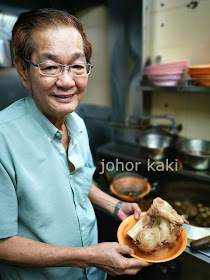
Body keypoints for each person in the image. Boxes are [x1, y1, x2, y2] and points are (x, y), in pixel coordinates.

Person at [0, 8, 151, 280]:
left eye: (77, 66)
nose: (67, 81)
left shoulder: (76, 123)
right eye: (49, 67)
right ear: (23, 70)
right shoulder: (3, 139)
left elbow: (76, 180)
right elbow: (2, 244)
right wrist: (89, 256)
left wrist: (114, 205)